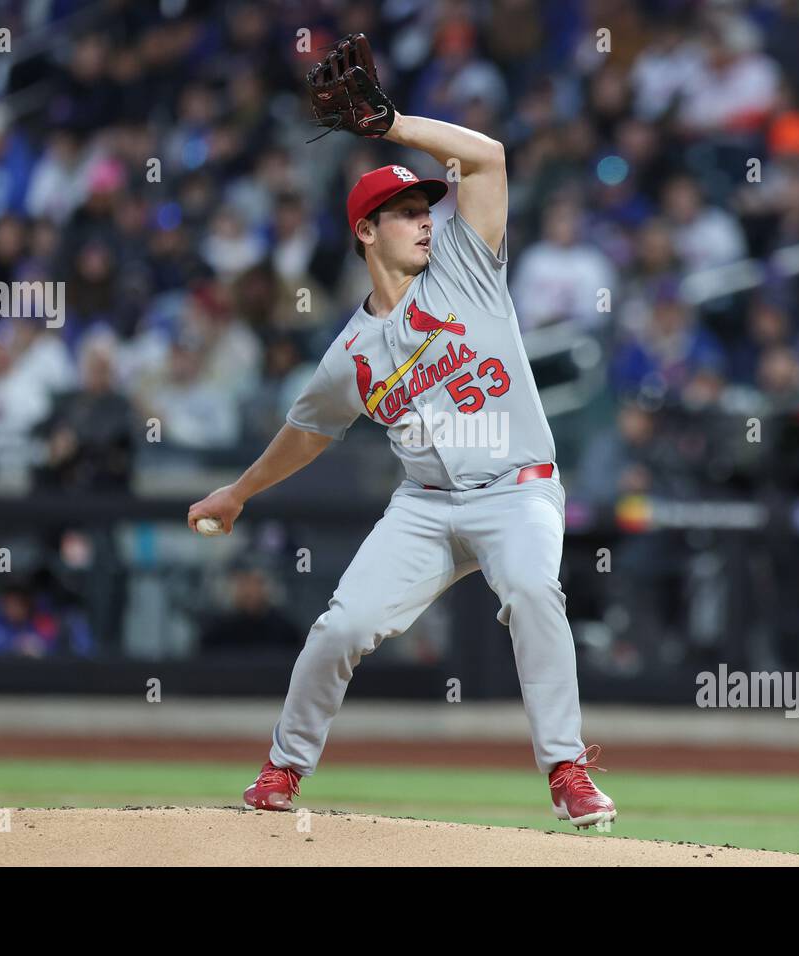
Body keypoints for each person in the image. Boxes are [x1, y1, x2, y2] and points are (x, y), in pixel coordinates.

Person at [187, 60, 615, 829]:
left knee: (530, 590)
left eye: (424, 204)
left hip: (519, 489)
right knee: (341, 628)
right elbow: (306, 433)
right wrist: (239, 492)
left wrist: (391, 127)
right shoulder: (351, 351)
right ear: (365, 230)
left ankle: (566, 770)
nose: (424, 218)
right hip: (424, 506)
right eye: (403, 209)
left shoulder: (466, 265)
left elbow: (487, 156)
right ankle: (284, 767)